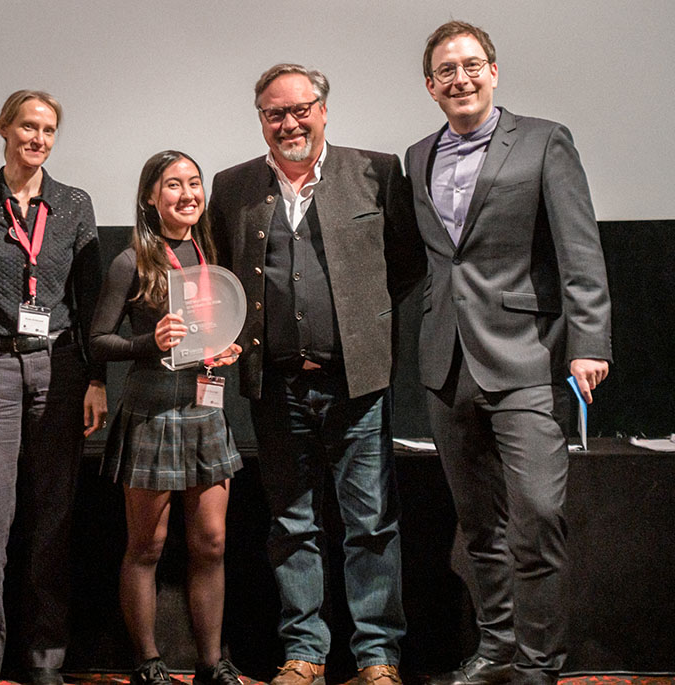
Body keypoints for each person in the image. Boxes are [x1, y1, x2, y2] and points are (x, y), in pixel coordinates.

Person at [405, 21, 611, 685]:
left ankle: (540, 660)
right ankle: (498, 648)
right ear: (430, 85)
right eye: (446, 70)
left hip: (527, 357)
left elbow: (579, 249)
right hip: (444, 361)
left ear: (493, 71)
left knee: (539, 516)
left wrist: (589, 342)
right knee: (479, 523)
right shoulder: (416, 156)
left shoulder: (545, 141)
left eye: (471, 65)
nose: (459, 78)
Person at [208, 63, 425, 685]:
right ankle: (304, 653)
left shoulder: (376, 172)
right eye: (275, 113)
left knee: (372, 524)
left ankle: (377, 659)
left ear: (323, 110)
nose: (289, 123)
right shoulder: (233, 187)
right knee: (291, 521)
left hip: (356, 385)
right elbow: (221, 276)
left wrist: (361, 320)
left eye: (300, 109)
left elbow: (406, 262)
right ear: (261, 121)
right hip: (275, 388)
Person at [0, 89, 108, 685]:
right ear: (4, 129)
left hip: (59, 369)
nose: (37, 138)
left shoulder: (74, 204)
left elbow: (90, 305)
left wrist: (95, 379)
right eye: (27, 127)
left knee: (53, 517)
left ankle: (44, 659)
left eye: (48, 129)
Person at [90, 151, 244, 685]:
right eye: (173, 185)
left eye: (194, 183)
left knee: (211, 543)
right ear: (151, 197)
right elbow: (98, 341)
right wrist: (145, 342)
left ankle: (210, 664)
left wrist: (224, 348)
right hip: (152, 411)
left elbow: (215, 329)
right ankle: (149, 663)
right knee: (146, 547)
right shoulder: (131, 261)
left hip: (205, 411)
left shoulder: (212, 254)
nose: (187, 194)